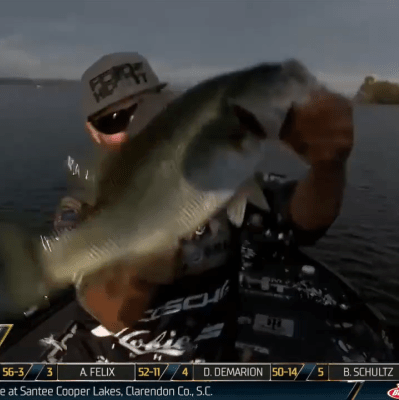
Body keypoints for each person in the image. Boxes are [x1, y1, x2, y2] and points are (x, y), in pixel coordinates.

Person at [24, 52, 391, 363]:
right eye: (115, 120)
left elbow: (304, 223)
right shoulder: (81, 210)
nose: (137, 125)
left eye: (148, 108)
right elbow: (109, 311)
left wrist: (329, 165)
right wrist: (143, 264)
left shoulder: (220, 178)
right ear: (93, 132)